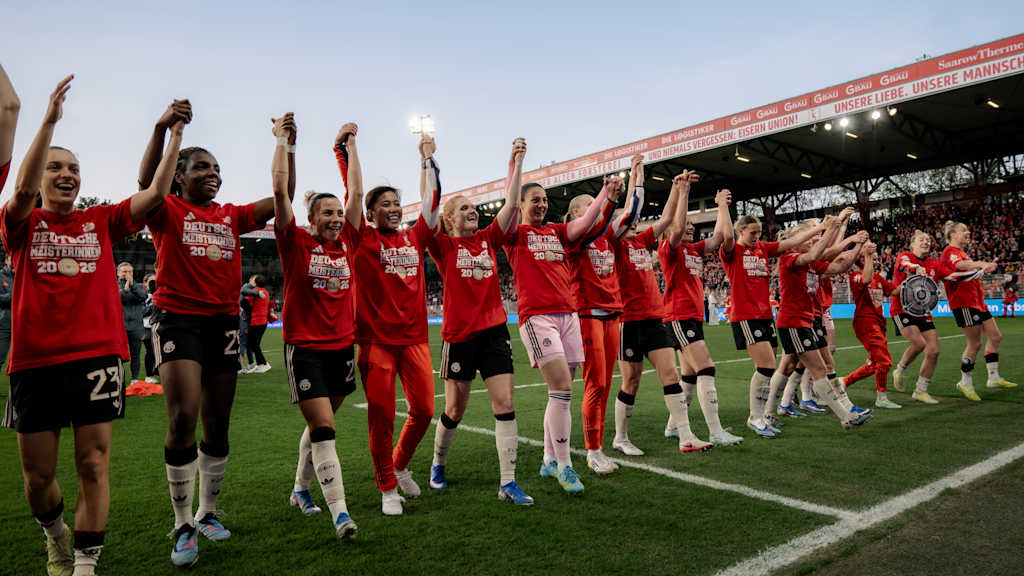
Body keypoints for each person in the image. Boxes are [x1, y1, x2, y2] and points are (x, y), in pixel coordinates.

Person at [2, 75, 182, 576]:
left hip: (97, 358)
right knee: (37, 479)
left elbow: (153, 195)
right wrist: (48, 122)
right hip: (35, 362)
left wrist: (174, 138)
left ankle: (84, 562)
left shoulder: (101, 220)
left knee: (94, 462)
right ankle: (55, 535)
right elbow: (19, 189)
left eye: (74, 168)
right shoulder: (22, 224)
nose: (66, 174)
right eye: (56, 167)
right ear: (40, 178)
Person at [138, 98, 284, 567]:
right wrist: (165, 130)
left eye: (217, 167)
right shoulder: (166, 210)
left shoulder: (232, 216)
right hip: (178, 319)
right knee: (183, 417)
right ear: (179, 175)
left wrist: (284, 144)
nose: (213, 173)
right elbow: (145, 184)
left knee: (217, 422)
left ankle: (208, 511)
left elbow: (281, 198)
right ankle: (182, 524)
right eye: (202, 167)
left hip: (223, 323)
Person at [338, 127, 439, 516]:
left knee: (425, 410)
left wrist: (426, 157)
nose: (395, 208)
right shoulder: (361, 238)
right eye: (386, 204)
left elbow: (431, 200)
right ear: (370, 213)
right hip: (376, 343)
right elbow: (353, 192)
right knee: (380, 418)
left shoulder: (415, 238)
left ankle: (398, 465)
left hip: (414, 340)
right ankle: (386, 487)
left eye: (397, 202)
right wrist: (349, 148)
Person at [427, 137, 533, 503]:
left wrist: (517, 163)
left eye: (475, 208)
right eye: (465, 209)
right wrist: (428, 160)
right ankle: (438, 462)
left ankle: (508, 482)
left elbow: (512, 204)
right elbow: (428, 210)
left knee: (504, 404)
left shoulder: (489, 239)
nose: (474, 212)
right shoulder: (443, 245)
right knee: (454, 409)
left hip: (493, 333)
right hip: (459, 336)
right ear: (450, 218)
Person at [505, 170, 622, 495]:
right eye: (534, 200)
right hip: (537, 317)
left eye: (545, 200)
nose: (541, 204)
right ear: (521, 205)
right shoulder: (516, 233)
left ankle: (547, 458)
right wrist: (516, 163)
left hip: (568, 316)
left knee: (561, 391)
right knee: (561, 390)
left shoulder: (558, 231)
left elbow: (585, 225)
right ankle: (565, 465)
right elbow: (510, 204)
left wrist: (605, 195)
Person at [272, 116, 360, 540]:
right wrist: (285, 143)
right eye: (328, 213)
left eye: (339, 213)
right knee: (325, 428)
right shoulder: (296, 243)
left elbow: (357, 193)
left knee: (317, 427)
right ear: (310, 218)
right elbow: (278, 192)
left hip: (343, 349)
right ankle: (340, 514)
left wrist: (349, 147)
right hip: (304, 348)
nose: (336, 218)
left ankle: (300, 489)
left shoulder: (348, 244)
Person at [610, 160, 709, 455]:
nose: (631, 223)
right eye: (625, 220)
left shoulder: (641, 241)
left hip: (655, 319)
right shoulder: (613, 244)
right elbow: (631, 212)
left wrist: (678, 189)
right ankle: (621, 437)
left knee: (671, 375)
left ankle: (686, 436)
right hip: (628, 321)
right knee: (632, 380)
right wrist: (635, 178)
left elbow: (667, 219)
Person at [564, 155, 644, 475]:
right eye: (587, 206)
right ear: (575, 215)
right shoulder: (573, 234)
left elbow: (632, 212)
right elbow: (593, 223)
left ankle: (597, 445)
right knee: (595, 383)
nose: (592, 210)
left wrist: (638, 175)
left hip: (612, 313)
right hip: (587, 313)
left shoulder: (606, 235)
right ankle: (593, 450)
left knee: (606, 383)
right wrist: (606, 199)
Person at [718, 212, 827, 438]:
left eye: (759, 232)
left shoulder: (763, 249)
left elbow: (793, 241)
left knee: (768, 369)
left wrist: (821, 229)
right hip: (746, 316)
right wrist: (721, 206)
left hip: (766, 316)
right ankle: (755, 417)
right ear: (741, 231)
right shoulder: (733, 251)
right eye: (752, 232)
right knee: (766, 365)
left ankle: (763, 415)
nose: (757, 236)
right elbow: (726, 235)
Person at [660, 187, 745, 448]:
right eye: (684, 224)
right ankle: (715, 431)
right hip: (678, 316)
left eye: (691, 224)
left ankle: (673, 426)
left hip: (691, 317)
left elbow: (719, 237)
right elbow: (675, 229)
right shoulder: (668, 248)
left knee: (689, 375)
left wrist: (721, 205)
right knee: (706, 367)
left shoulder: (694, 250)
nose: (689, 227)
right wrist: (683, 193)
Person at [775, 217, 872, 430]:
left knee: (791, 366)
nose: (812, 241)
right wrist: (832, 230)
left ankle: (770, 411)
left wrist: (858, 247)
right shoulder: (790, 257)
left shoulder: (809, 263)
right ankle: (845, 416)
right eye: (808, 238)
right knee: (816, 368)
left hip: (807, 320)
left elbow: (839, 267)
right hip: (793, 321)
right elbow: (817, 253)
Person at [939, 220, 1016, 400]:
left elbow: (968, 269)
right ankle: (965, 382)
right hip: (964, 304)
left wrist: (981, 267)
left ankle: (993, 377)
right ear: (952, 234)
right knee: (975, 343)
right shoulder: (950, 252)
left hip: (978, 303)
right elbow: (960, 266)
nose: (968, 232)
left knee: (995, 336)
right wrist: (981, 264)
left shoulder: (962, 252)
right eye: (963, 230)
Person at [842, 242, 902, 408]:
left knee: (874, 364)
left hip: (878, 323)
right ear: (861, 259)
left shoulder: (879, 278)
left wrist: (912, 279)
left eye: (876, 259)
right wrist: (867, 255)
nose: (876, 262)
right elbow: (866, 279)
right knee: (884, 362)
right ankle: (881, 397)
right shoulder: (855, 276)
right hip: (866, 322)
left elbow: (895, 291)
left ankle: (843, 382)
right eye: (872, 259)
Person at [889, 230, 942, 404]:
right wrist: (915, 268)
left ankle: (920, 390)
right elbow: (905, 265)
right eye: (922, 239)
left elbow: (949, 275)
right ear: (912, 244)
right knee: (919, 344)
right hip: (902, 310)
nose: (926, 242)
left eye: (928, 239)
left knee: (933, 351)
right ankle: (900, 370)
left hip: (923, 312)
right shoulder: (905, 256)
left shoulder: (934, 263)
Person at [117, 262, 147, 383]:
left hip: (136, 326)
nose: (127, 274)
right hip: (120, 326)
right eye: (124, 271)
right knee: (118, 355)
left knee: (136, 354)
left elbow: (142, 297)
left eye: (130, 272)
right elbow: (120, 298)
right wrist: (126, 287)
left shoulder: (138, 286)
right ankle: (119, 377)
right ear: (118, 273)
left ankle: (134, 379)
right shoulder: (113, 285)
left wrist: (132, 284)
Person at [243, 274, 272, 373]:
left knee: (252, 344)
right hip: (262, 322)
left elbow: (245, 302)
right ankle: (262, 364)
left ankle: (262, 364)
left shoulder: (255, 292)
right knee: (255, 344)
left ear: (255, 282)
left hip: (256, 322)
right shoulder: (266, 292)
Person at [142, 274, 159, 383]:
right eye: (151, 281)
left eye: (155, 281)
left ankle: (157, 371)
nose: (153, 284)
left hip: (159, 326)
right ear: (145, 283)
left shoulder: (160, 294)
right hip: (146, 327)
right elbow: (142, 312)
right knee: (150, 351)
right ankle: (149, 375)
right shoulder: (143, 296)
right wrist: (154, 303)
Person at [0, 253, 13, 371]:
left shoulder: (22, 275)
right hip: (4, 324)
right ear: (6, 260)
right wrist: (14, 296)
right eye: (11, 258)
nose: (14, 261)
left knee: (20, 363)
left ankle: (15, 390)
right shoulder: (0, 276)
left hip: (21, 326)